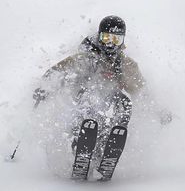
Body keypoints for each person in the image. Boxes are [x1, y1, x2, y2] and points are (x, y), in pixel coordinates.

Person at [33, 15, 146, 172]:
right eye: (106, 38)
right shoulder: (86, 58)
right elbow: (59, 70)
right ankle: (81, 145)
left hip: (110, 101)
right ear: (99, 37)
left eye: (116, 40)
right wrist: (44, 87)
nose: (110, 44)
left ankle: (110, 144)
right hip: (84, 99)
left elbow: (142, 90)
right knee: (89, 102)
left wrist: (159, 110)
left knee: (125, 102)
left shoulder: (126, 64)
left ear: (122, 41)